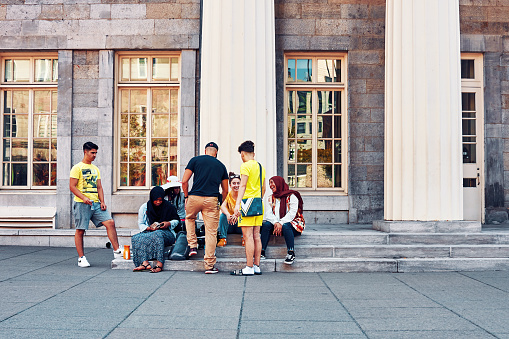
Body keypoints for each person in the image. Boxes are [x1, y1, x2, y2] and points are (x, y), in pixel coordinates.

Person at [70, 141, 122, 267]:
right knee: (80, 230)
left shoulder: (95, 169)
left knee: (110, 222)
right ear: (85, 152)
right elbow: (72, 186)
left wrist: (102, 201)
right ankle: (81, 258)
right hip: (82, 203)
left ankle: (117, 251)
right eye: (92, 153)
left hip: (96, 203)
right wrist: (83, 198)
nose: (94, 155)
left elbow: (99, 187)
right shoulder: (77, 168)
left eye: (96, 153)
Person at [181, 141, 228, 274]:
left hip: (194, 197)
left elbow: (184, 181)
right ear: (216, 153)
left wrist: (186, 197)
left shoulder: (195, 160)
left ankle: (193, 246)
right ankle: (209, 265)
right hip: (212, 199)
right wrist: (222, 202)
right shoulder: (221, 166)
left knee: (190, 219)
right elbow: (225, 190)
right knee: (211, 232)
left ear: (205, 150)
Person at [232, 140, 266, 276]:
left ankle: (249, 267)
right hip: (258, 202)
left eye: (241, 154)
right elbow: (263, 188)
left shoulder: (245, 166)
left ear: (243, 154)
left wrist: (237, 204)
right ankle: (257, 265)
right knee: (257, 236)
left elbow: (243, 186)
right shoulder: (260, 166)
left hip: (247, 203)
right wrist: (259, 199)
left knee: (247, 237)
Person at [132, 186, 180, 273]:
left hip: (167, 233)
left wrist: (168, 223)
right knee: (136, 237)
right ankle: (144, 263)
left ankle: (160, 263)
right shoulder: (145, 207)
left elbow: (176, 221)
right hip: (150, 232)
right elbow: (141, 223)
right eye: (156, 200)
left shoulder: (168, 206)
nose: (158, 202)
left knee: (158, 234)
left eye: (160, 200)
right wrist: (149, 228)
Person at [261, 176, 305, 265]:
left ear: (279, 183)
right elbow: (268, 214)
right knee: (265, 225)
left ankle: (291, 253)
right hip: (276, 224)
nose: (271, 185)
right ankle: (261, 252)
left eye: (273, 182)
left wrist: (281, 223)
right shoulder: (270, 198)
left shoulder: (292, 196)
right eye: (270, 183)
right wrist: (276, 223)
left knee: (286, 226)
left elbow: (292, 214)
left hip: (292, 225)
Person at [217, 172, 243, 247]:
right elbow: (222, 206)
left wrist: (236, 215)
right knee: (223, 216)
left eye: (238, 183)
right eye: (234, 183)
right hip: (230, 223)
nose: (236, 185)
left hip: (240, 225)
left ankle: (244, 238)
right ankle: (223, 239)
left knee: (244, 215)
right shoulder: (229, 194)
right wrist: (228, 214)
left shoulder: (244, 194)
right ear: (230, 185)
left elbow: (245, 209)